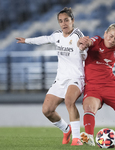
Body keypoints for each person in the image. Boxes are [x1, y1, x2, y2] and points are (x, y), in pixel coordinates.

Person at [16, 7, 87, 146]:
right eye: (60, 21)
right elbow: (45, 39)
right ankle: (66, 130)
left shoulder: (78, 35)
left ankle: (77, 138)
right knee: (47, 110)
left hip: (76, 77)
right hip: (61, 79)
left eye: (66, 20)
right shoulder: (57, 35)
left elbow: (86, 56)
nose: (63, 23)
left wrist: (82, 51)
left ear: (72, 20)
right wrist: (27, 40)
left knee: (69, 101)